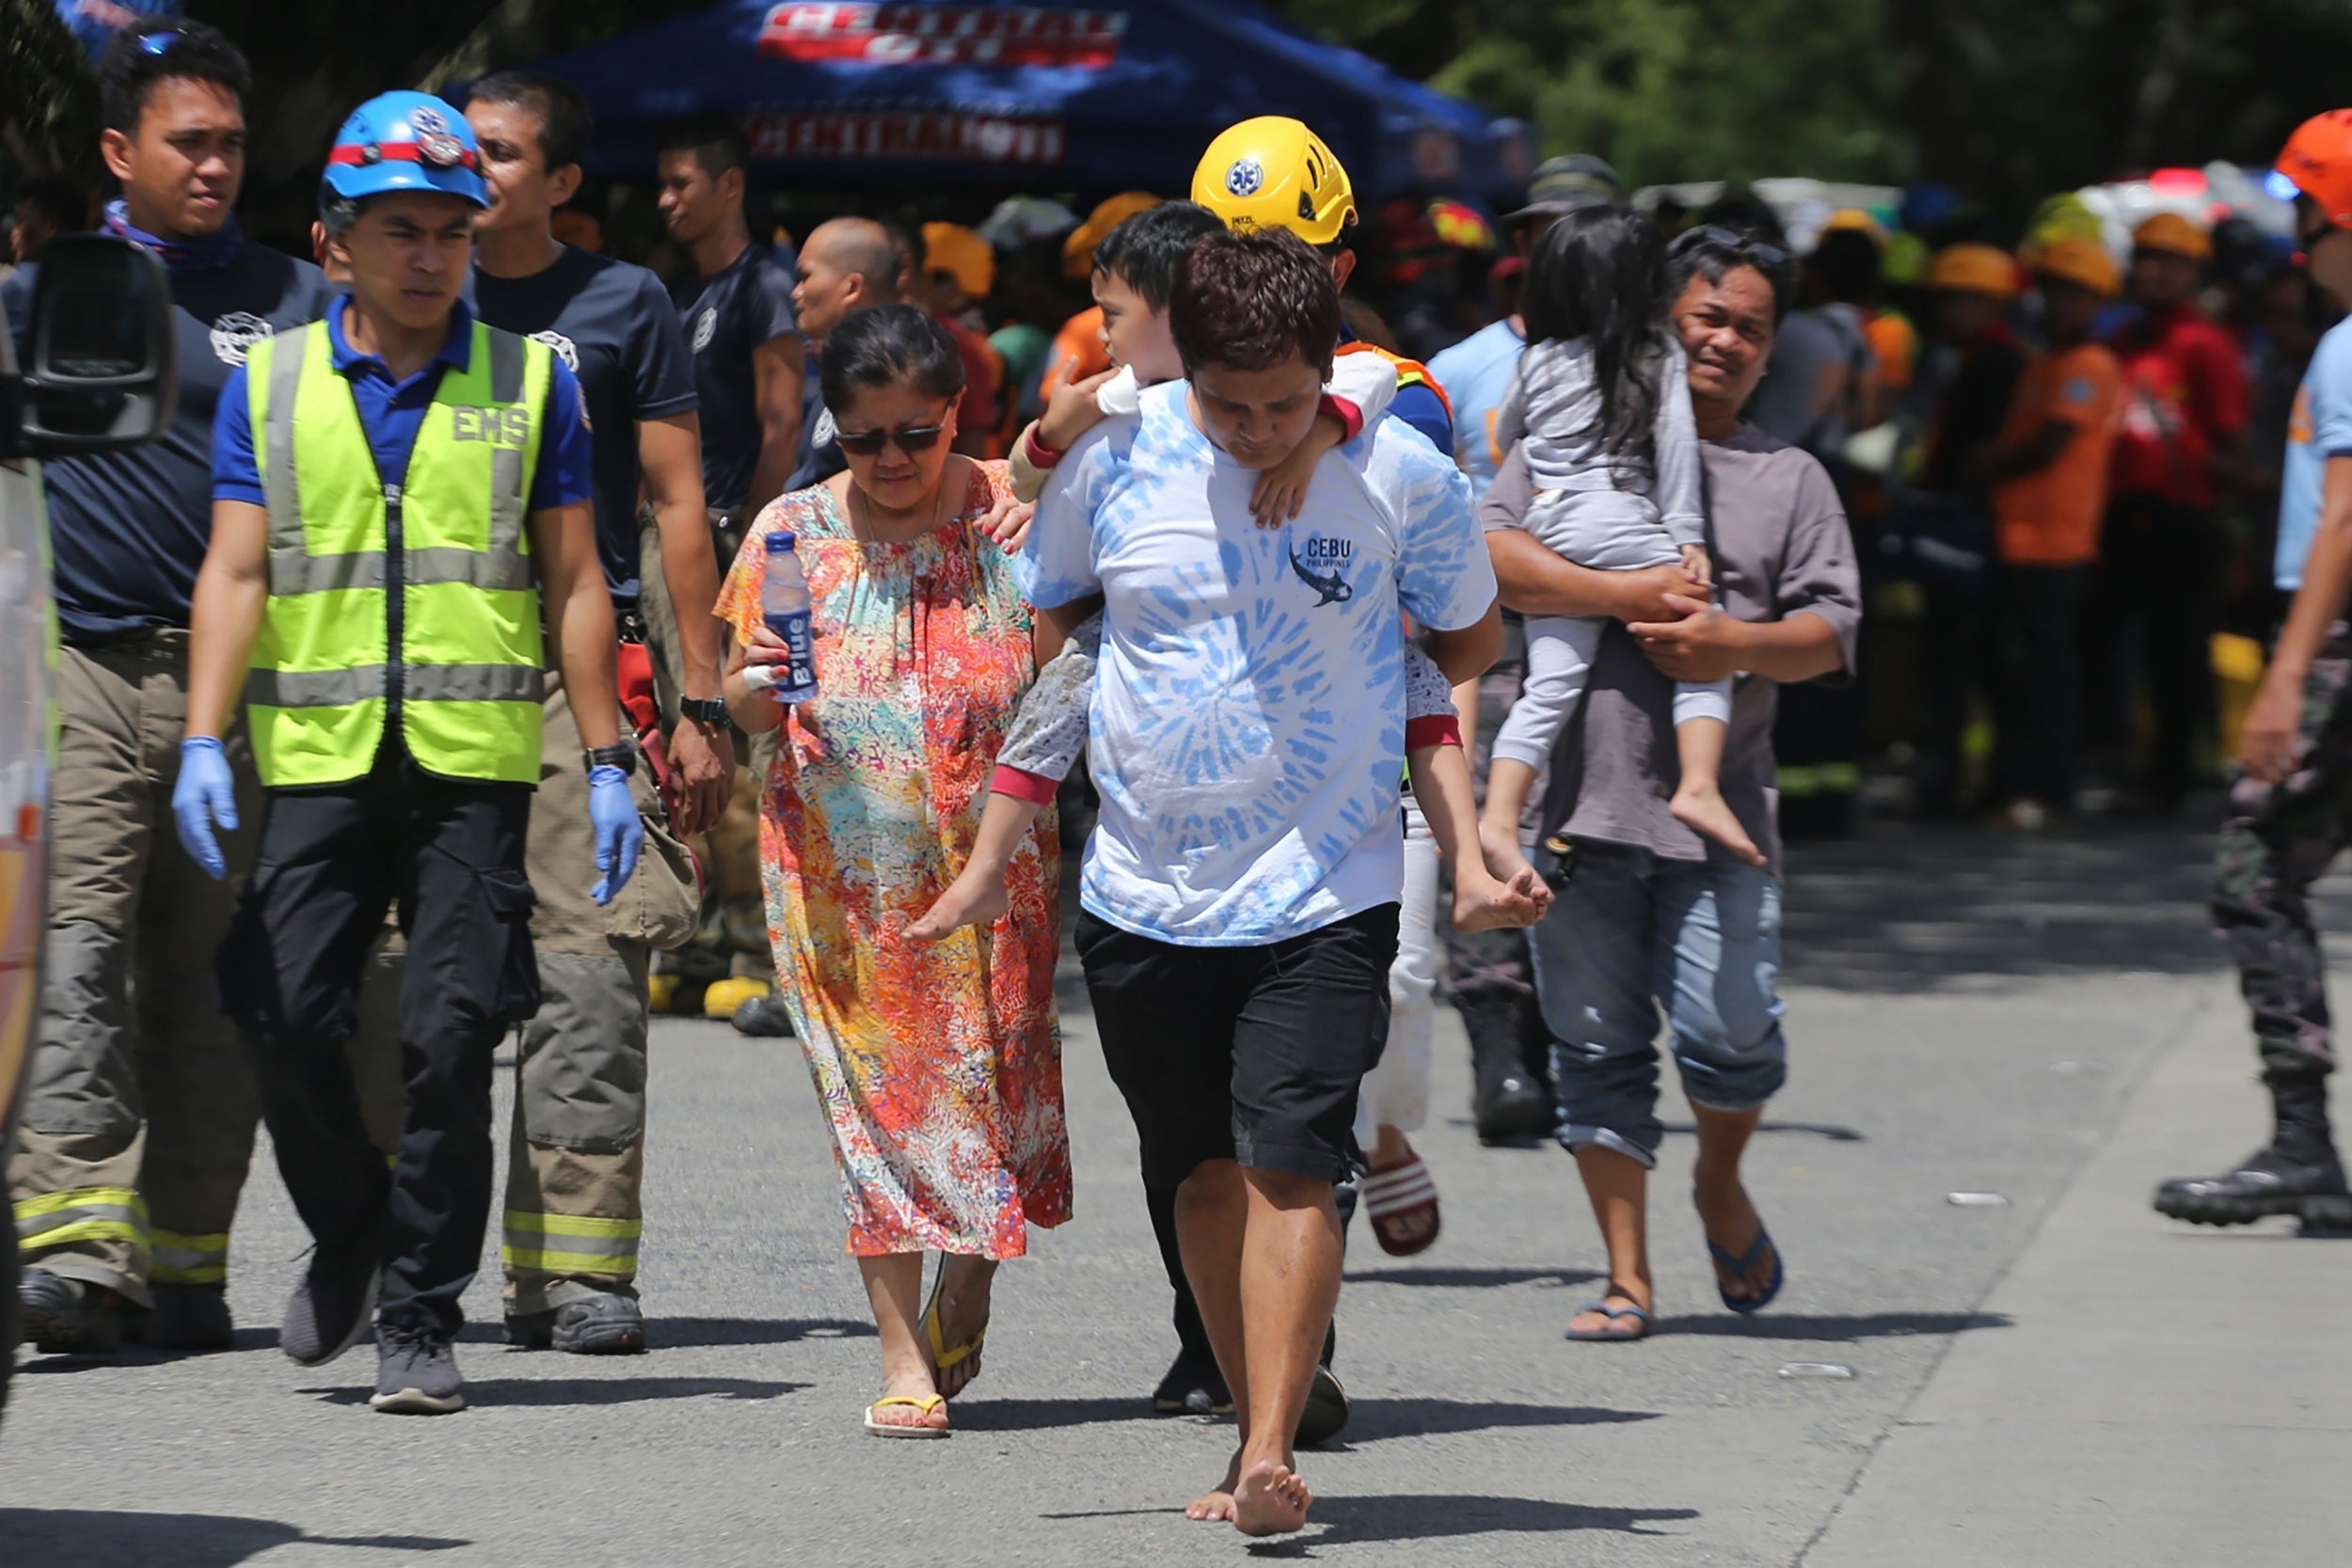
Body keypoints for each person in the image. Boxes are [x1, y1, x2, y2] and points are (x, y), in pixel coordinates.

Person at [1025, 228, 1500, 1534]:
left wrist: (1464, 818)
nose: (1254, 428)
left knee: (1294, 1156)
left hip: (1331, 875)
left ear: (1325, 362)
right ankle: (1248, 1419)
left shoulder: (1397, 466)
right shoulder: (1116, 460)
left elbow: (1468, 634)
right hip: (1143, 885)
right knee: (1197, 1174)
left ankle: (1272, 1449)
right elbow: (1053, 606)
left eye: (1285, 402)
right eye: (1227, 403)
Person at [175, 90, 630, 1415]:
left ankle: (420, 1315)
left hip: (469, 767)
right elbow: (237, 567)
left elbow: (576, 578)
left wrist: (605, 758)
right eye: (399, 231)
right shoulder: (268, 383)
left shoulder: (534, 377)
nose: (429, 254)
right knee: (280, 1005)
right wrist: (204, 735)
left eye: (450, 230)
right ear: (337, 242)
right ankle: (356, 1228)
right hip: (315, 758)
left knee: (445, 1037)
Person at [8, 21, 333, 1357]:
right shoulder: (43, 298)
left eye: (231, 145)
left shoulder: (297, 298)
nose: (212, 166)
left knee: (210, 982)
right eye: (186, 142)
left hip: (244, 693)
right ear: (116, 152)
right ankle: (80, 1250)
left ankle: (189, 1263)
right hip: (76, 668)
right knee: (73, 953)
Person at [1485, 225, 1860, 1343]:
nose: (1725, 341)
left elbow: (1834, 630)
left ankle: (1719, 1180)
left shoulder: (1787, 476)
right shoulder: (1574, 420)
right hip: (1575, 808)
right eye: (1708, 316)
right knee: (1593, 1045)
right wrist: (1624, 592)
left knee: (1729, 1028)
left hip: (1721, 808)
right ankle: (1626, 1275)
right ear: (1661, 317)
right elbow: (1488, 550)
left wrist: (1735, 644)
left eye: (1750, 325)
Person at [714, 305, 1069, 1437]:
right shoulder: (791, 531)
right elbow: (736, 691)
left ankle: (971, 1265)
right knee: (878, 1107)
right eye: (865, 438)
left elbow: (1070, 677)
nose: (892, 460)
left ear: (955, 412)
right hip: (840, 886)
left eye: (915, 434)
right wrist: (753, 688)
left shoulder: (1013, 521)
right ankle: (901, 1353)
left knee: (993, 1095)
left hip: (996, 875)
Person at [415, 70, 719, 1354]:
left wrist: (697, 702)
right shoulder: (397, 287)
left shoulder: (621, 302)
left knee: (591, 968)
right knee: (404, 990)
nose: (469, 175)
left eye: (495, 154)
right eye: (457, 155)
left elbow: (674, 505)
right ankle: (392, 1260)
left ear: (559, 180)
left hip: (572, 672)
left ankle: (579, 1272)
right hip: (413, 670)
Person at [2159, 111, 2352, 1231]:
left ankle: (2300, 1145)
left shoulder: (2345, 346)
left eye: (2301, 208)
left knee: (2253, 871)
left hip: (2336, 648)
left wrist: (2283, 679)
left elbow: (2343, 520)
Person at [1476, 207, 1757, 870]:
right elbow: (1679, 450)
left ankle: (1498, 815)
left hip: (1550, 525)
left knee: (1547, 687)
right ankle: (1698, 784)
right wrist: (1688, 536)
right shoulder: (1655, 356)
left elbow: (1505, 434)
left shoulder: (1536, 359)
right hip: (1622, 518)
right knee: (1704, 639)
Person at [2099, 212, 2250, 816]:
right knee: (2107, 644)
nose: (2153, 270)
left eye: (2169, 260)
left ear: (2192, 272)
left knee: (2175, 652)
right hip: (2120, 516)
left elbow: (2233, 447)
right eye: (2145, 257)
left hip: (2179, 520)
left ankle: (2171, 777)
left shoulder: (2205, 345)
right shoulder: (2122, 342)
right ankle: (2122, 759)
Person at [1980, 237, 2123, 826]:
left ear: (2094, 300)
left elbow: (2049, 444)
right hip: (2016, 534)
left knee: (2045, 670)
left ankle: (2049, 787)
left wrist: (1989, 462)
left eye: (2069, 293)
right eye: (2051, 291)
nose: (2056, 303)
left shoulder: (2090, 365)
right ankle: (2012, 782)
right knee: (2015, 668)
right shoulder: (2045, 361)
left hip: (2055, 542)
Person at [1910, 243, 2026, 816]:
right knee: (1952, 656)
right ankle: (1955, 774)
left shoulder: (1997, 364)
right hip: (1960, 521)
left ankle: (1962, 779)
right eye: (1947, 299)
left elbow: (1978, 454)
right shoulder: (1956, 359)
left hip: (1973, 527)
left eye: (1967, 300)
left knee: (1966, 657)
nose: (1952, 311)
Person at [656, 111, 804, 534]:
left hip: (725, 523)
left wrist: (753, 540)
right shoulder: (677, 289)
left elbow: (783, 426)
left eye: (680, 183)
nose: (665, 200)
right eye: (662, 185)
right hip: (671, 523)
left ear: (730, 185)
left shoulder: (764, 285)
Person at [785, 216, 902, 490]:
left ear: (852, 288)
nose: (795, 293)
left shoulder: (888, 379)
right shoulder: (839, 370)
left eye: (805, 277)